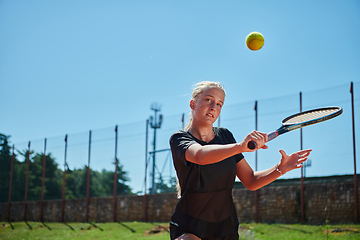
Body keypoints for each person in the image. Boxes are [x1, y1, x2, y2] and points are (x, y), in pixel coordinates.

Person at [169, 81, 311, 240]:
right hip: (188, 226)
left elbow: (250, 180)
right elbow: (200, 156)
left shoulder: (225, 136)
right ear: (192, 103)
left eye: (219, 104)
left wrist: (280, 168)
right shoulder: (179, 139)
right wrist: (239, 147)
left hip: (225, 228)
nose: (213, 107)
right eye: (208, 100)